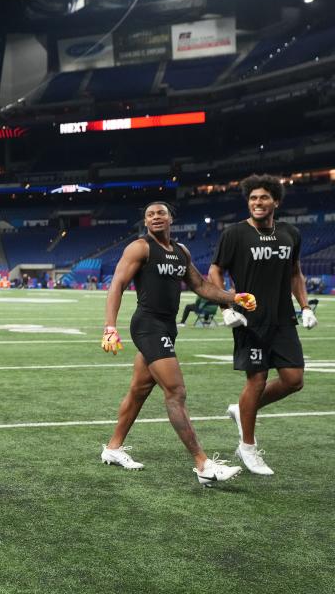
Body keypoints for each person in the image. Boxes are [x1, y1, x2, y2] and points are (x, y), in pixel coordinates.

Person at [100, 201, 255, 486]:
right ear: (145, 222)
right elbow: (117, 285)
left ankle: (112, 448)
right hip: (148, 326)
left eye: (160, 213)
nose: (155, 217)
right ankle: (203, 464)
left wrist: (234, 297)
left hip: (167, 327)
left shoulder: (181, 251)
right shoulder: (140, 248)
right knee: (176, 391)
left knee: (139, 391)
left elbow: (201, 286)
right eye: (149, 215)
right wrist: (110, 327)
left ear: (171, 218)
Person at [208, 175, 317, 476]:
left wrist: (305, 307)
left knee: (294, 380)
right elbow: (214, 271)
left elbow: (295, 273)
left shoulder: (290, 233)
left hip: (283, 319)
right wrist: (226, 307)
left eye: (264, 198)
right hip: (250, 319)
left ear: (276, 202)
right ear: (248, 202)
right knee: (255, 381)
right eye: (253, 198)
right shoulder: (235, 234)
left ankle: (241, 410)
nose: (258, 203)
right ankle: (248, 447)